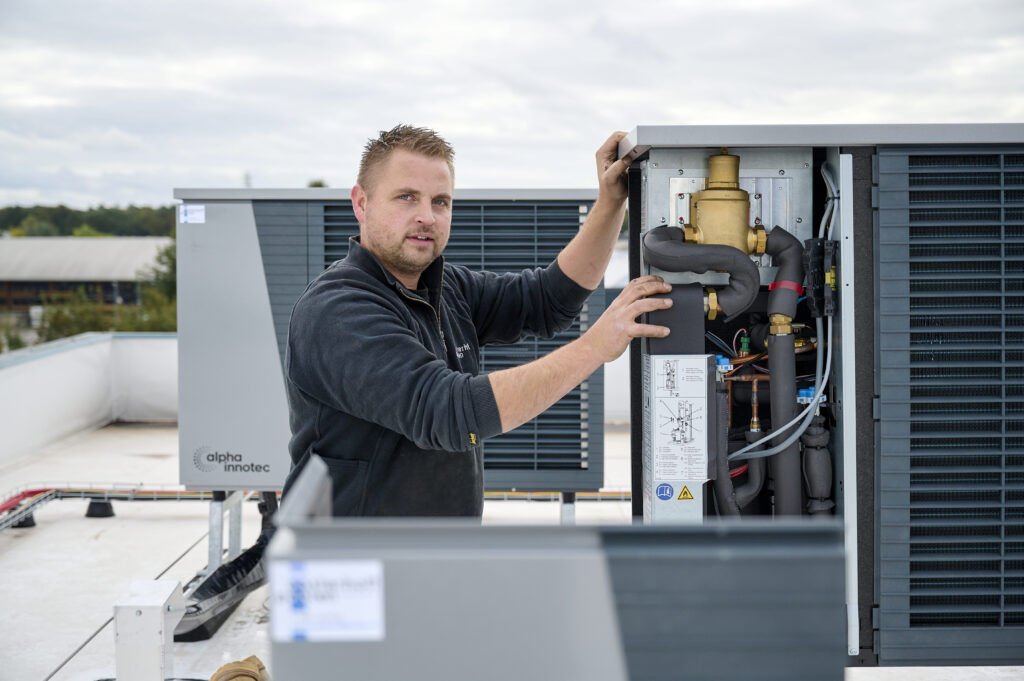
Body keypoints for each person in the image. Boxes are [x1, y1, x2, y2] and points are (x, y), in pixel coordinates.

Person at [282, 124, 672, 516]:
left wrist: (610, 204)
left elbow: (548, 299)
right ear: (361, 203)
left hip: (440, 561)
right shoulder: (337, 310)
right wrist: (594, 347)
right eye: (406, 198)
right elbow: (449, 413)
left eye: (440, 202)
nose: (426, 217)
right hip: (350, 566)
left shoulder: (444, 287)